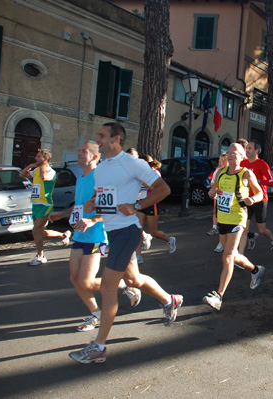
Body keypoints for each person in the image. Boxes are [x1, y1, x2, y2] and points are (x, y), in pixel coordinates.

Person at [69, 122, 183, 364]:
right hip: (113, 232)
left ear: (116, 139)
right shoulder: (101, 168)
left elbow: (163, 189)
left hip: (127, 232)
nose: (97, 139)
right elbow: (104, 201)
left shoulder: (132, 163)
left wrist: (137, 206)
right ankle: (169, 299)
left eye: (101, 135)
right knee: (133, 280)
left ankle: (98, 347)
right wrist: (92, 211)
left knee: (109, 288)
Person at [48, 142, 142, 332]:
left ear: (95, 157)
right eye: (79, 150)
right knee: (75, 278)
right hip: (80, 234)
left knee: (86, 281)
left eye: (84, 151)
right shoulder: (81, 178)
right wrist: (63, 213)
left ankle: (121, 284)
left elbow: (110, 208)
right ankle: (96, 313)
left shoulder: (99, 177)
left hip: (96, 234)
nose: (79, 153)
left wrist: (93, 221)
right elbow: (80, 206)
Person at [203, 143, 265, 311]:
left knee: (227, 257)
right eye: (229, 152)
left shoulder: (246, 174)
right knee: (232, 255)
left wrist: (253, 199)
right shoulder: (221, 172)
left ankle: (219, 296)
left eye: (234, 153)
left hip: (238, 219)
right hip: (222, 219)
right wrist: (211, 193)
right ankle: (255, 270)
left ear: (242, 156)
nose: (230, 155)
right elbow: (213, 189)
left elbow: (259, 192)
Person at [19, 148, 71, 266]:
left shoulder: (50, 172)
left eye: (38, 157)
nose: (36, 158)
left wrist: (41, 165)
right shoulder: (36, 170)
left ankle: (41, 256)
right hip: (36, 204)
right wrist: (30, 166)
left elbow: (44, 177)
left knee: (35, 231)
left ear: (45, 159)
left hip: (45, 204)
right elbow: (22, 174)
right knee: (41, 232)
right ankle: (63, 234)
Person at [239, 140, 273, 256]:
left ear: (257, 151)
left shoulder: (262, 164)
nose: (247, 150)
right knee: (243, 228)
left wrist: (258, 181)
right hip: (246, 199)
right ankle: (241, 256)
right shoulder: (243, 164)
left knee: (262, 230)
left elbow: (272, 181)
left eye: (249, 148)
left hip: (259, 199)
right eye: (246, 148)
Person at [136, 155, 177, 254]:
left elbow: (157, 188)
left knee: (153, 231)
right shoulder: (138, 174)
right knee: (138, 231)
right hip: (141, 203)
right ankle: (138, 256)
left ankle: (169, 240)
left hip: (151, 204)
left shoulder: (155, 173)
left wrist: (143, 182)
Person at [208, 153, 228, 252]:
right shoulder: (218, 171)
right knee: (221, 220)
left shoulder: (236, 171)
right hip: (221, 199)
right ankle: (221, 243)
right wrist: (213, 191)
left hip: (233, 202)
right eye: (221, 160)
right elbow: (213, 184)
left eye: (225, 159)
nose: (223, 162)